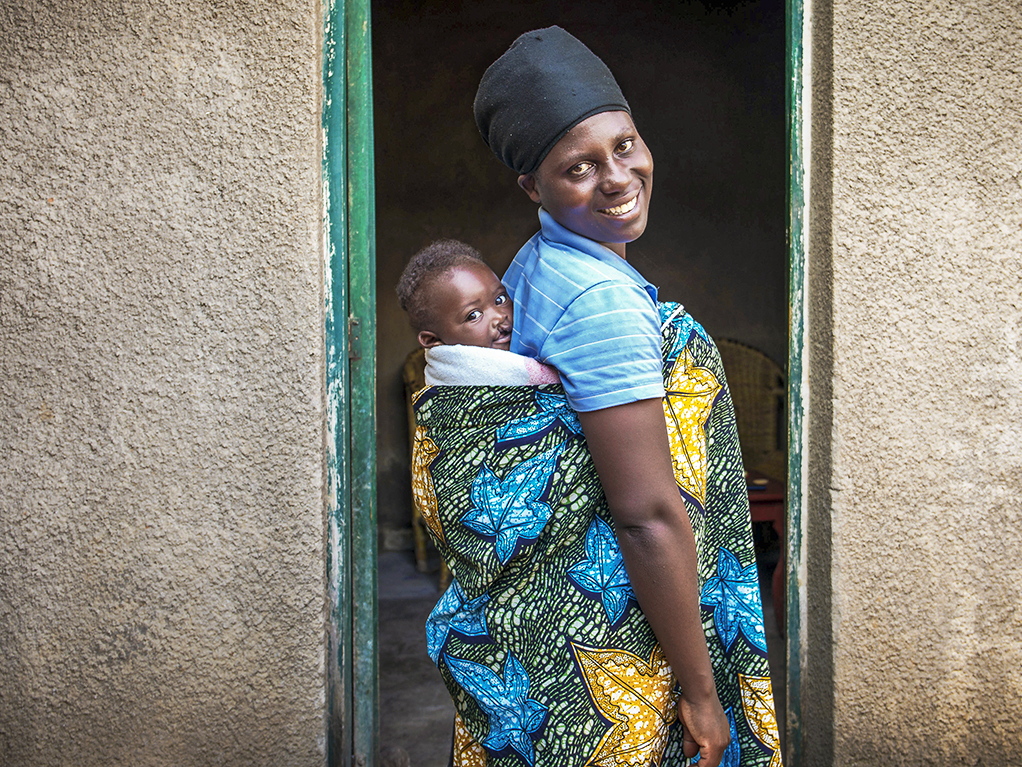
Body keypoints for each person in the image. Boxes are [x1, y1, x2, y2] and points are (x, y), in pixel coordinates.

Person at [471, 26, 778, 766]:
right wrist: (703, 694)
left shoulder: (541, 264)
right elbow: (643, 513)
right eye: (579, 167)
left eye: (625, 144)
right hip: (618, 638)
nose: (617, 176)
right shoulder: (597, 302)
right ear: (531, 186)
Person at [396, 238, 559, 385]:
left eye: (500, 299)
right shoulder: (451, 391)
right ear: (432, 339)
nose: (499, 317)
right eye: (473, 315)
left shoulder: (541, 341)